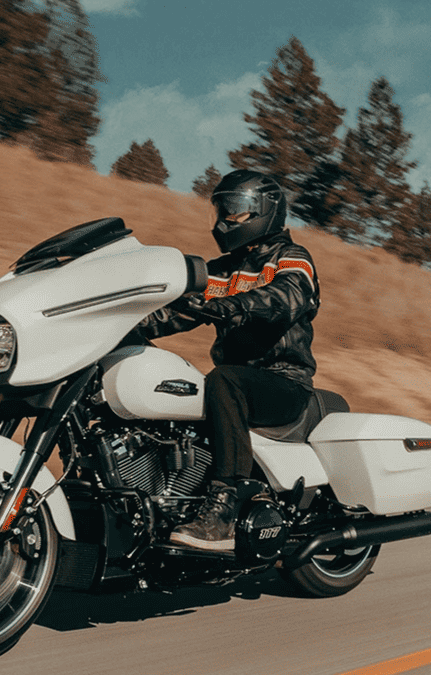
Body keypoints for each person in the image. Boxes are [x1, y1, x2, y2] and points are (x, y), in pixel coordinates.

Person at [130, 169, 319, 551]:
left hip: (283, 382)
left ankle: (225, 506)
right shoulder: (220, 271)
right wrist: (122, 328)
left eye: (233, 211)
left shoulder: (292, 258)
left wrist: (235, 305)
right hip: (237, 383)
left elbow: (286, 299)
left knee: (223, 379)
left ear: (263, 211)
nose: (223, 221)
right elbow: (174, 313)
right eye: (220, 210)